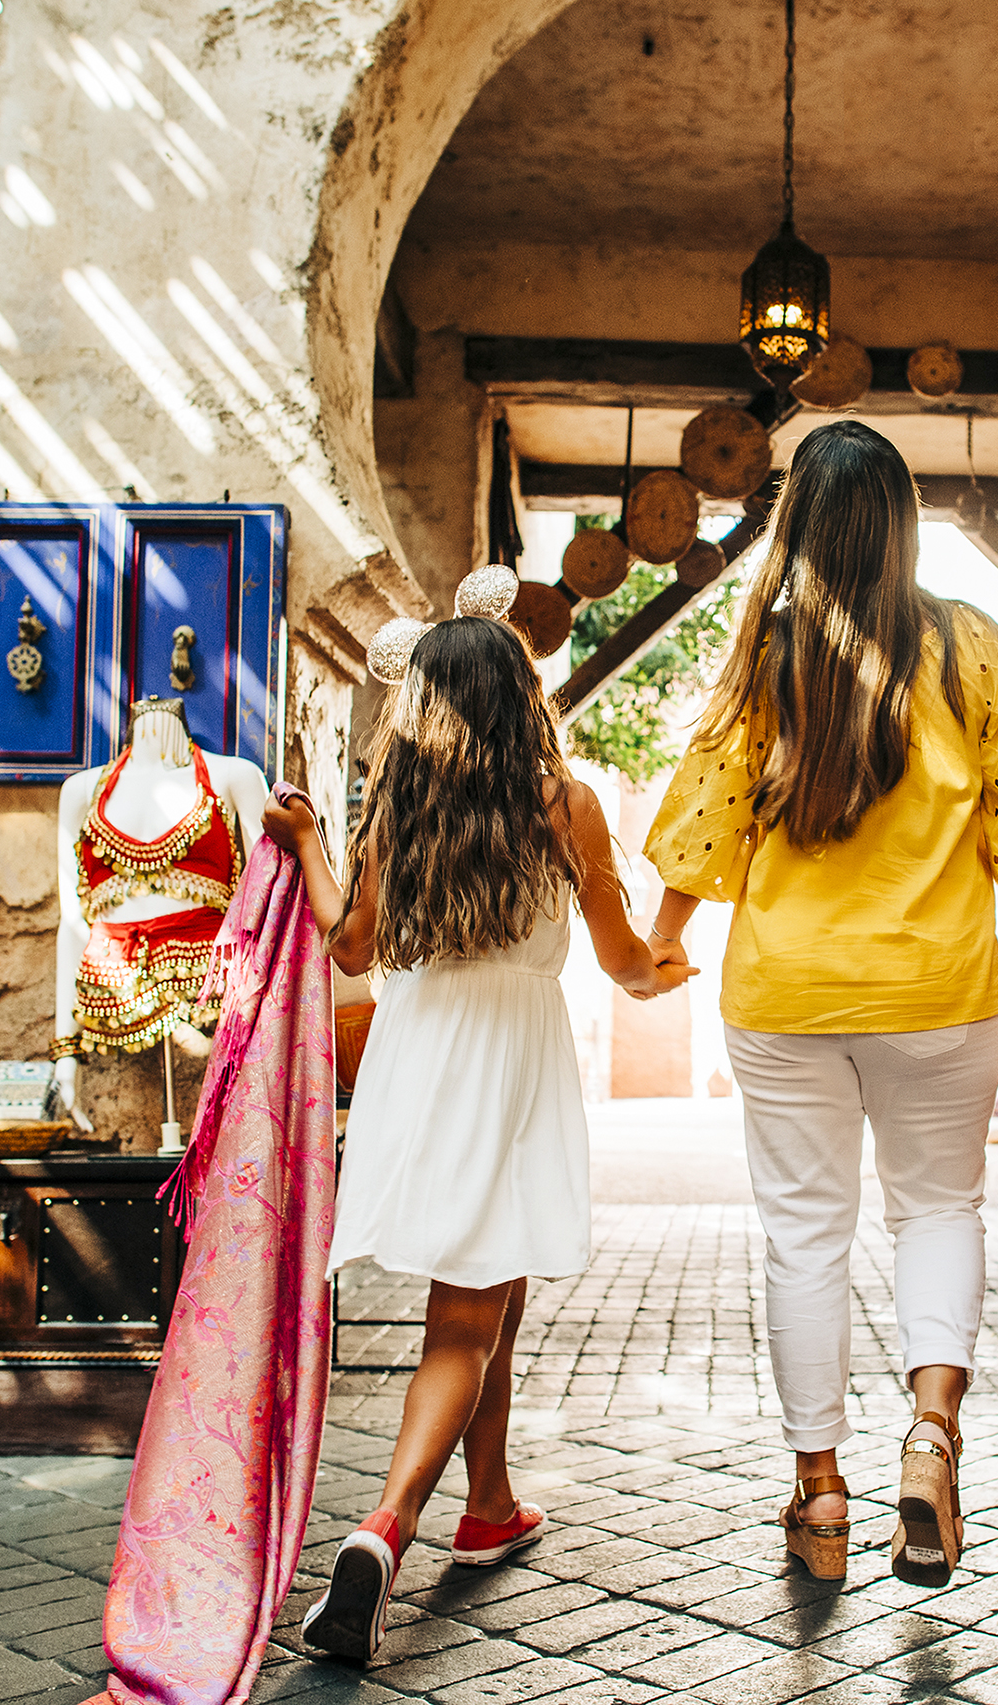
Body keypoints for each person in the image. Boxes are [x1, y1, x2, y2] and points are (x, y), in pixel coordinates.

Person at [644, 420, 998, 1586]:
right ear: (903, 524)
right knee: (938, 1214)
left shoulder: (761, 657)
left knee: (803, 1238)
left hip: (785, 997)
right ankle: (932, 1438)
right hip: (938, 993)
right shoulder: (972, 648)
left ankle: (820, 1494)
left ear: (797, 523)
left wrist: (659, 944)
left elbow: (705, 815)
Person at [261, 569, 692, 1665]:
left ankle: (489, 1500)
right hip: (509, 1054)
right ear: (520, 692)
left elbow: (349, 948)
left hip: (418, 1052)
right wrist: (666, 972)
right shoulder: (564, 800)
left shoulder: (400, 801)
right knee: (464, 1316)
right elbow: (620, 961)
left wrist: (310, 841)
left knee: (481, 1285)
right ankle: (381, 1531)